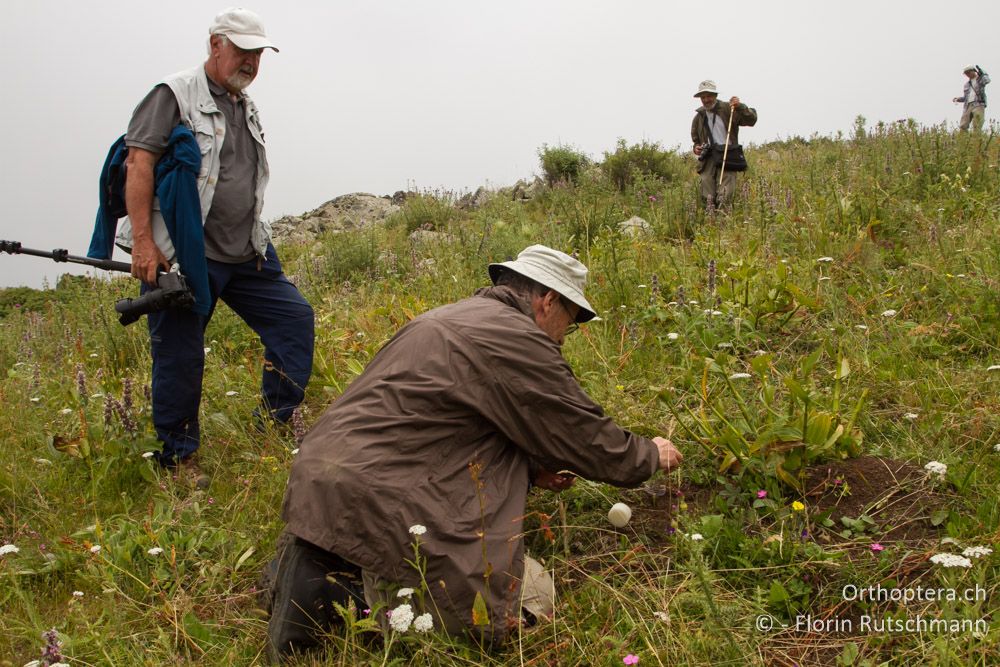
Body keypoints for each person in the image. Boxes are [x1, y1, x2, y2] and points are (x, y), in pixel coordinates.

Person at [266, 245, 682, 659]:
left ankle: (318, 559)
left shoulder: (441, 318)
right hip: (383, 495)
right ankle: (347, 599)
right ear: (548, 300)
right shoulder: (519, 339)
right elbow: (582, 433)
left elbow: (450, 423)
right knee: (525, 600)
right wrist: (647, 455)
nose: (562, 338)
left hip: (321, 479)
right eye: (568, 324)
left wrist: (533, 469)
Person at [116, 8, 314, 483]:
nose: (250, 62)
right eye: (242, 50)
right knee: (180, 355)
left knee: (293, 319)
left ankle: (275, 422)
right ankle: (178, 458)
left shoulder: (244, 103)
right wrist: (144, 243)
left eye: (257, 54)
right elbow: (138, 163)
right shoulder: (173, 94)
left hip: (247, 251)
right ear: (215, 45)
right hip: (186, 255)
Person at [690, 79, 757, 211]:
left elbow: (751, 120)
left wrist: (740, 106)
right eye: (703, 97)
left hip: (728, 154)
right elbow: (696, 140)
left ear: (715, 95)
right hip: (708, 159)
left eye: (709, 96)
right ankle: (710, 222)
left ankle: (724, 223)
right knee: (706, 195)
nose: (706, 99)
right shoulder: (698, 117)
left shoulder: (729, 109)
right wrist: (696, 148)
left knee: (725, 195)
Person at [954, 64, 990, 132]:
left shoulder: (980, 79)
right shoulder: (966, 84)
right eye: (966, 73)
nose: (967, 74)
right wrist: (958, 99)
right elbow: (966, 97)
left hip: (978, 104)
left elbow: (987, 81)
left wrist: (983, 73)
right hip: (968, 106)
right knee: (963, 125)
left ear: (974, 71)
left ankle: (976, 140)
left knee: (977, 123)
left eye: (968, 72)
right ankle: (963, 140)